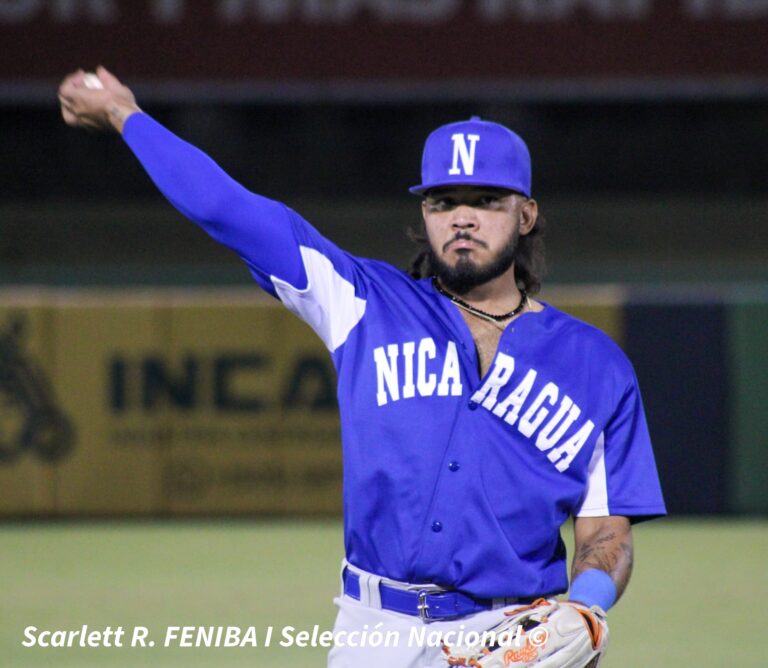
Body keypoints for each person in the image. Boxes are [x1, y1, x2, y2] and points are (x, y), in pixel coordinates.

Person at [59, 67, 666, 667]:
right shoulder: (362, 304)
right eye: (443, 200)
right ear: (424, 213)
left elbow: (607, 533)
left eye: (485, 201)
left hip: (511, 636)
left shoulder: (596, 365)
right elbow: (227, 209)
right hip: (374, 632)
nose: (462, 217)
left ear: (525, 215)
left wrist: (585, 606)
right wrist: (124, 115)